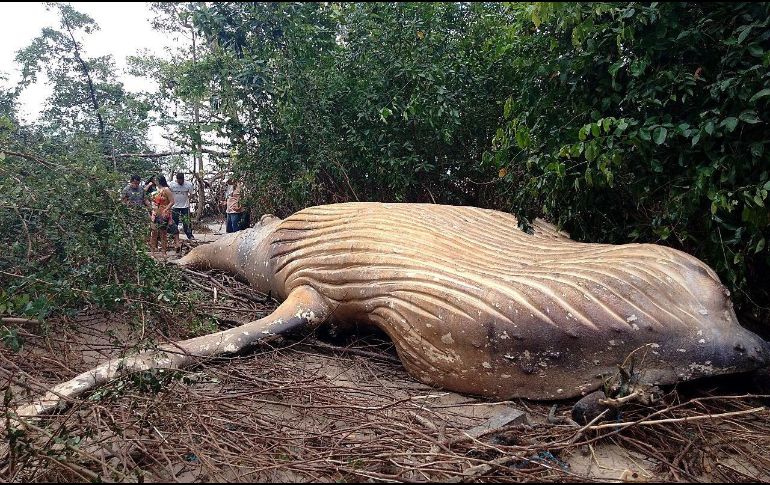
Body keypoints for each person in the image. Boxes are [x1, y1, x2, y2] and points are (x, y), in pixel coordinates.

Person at [149, 176, 177, 258]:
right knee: (153, 233)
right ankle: (152, 252)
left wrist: (166, 209)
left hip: (163, 213)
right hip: (155, 213)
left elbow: (172, 201)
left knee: (163, 233)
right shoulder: (156, 190)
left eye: (156, 180)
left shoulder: (166, 189)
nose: (154, 181)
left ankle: (164, 252)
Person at [168, 172, 195, 241]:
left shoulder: (188, 185)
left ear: (183, 179)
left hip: (185, 206)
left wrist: (188, 200)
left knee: (186, 222)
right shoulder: (171, 184)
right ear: (176, 179)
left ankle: (189, 235)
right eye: (179, 180)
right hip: (175, 206)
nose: (180, 182)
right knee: (174, 222)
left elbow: (191, 194)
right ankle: (172, 235)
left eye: (182, 180)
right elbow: (168, 193)